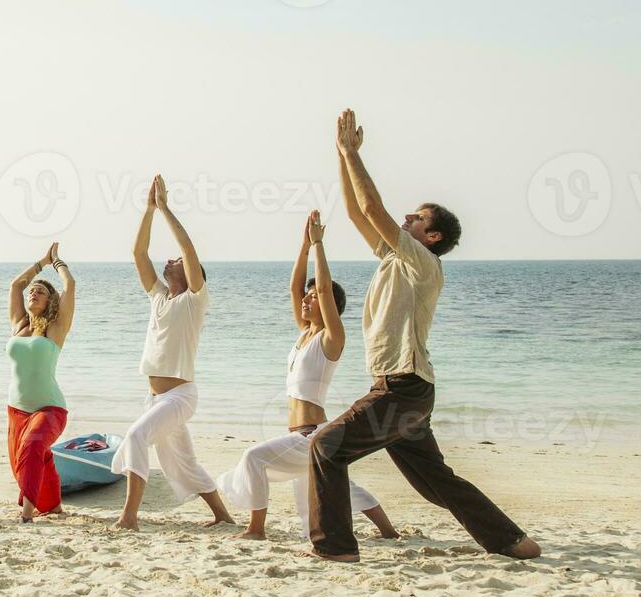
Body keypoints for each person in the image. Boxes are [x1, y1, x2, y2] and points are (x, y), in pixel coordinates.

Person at [304, 110, 540, 562]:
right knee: (437, 483)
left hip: (402, 387)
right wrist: (340, 154)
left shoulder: (423, 265)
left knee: (325, 446)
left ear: (431, 237)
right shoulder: (396, 259)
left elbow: (374, 209)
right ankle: (512, 542)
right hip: (406, 392)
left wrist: (354, 152)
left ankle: (335, 549)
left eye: (417, 218)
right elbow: (357, 211)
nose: (407, 218)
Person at [217, 211, 398, 541]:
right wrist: (302, 245)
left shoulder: (330, 340)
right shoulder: (303, 335)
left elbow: (326, 288)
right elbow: (293, 287)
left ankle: (255, 529)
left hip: (312, 434)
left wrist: (318, 245)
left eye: (313, 297)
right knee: (332, 491)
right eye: (307, 295)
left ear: (329, 307)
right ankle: (389, 532)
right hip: (302, 433)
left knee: (253, 458)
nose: (306, 298)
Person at [112, 175, 235, 531]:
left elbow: (191, 250)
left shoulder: (195, 300)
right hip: (155, 399)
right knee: (184, 463)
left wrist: (166, 208)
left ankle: (129, 517)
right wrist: (148, 209)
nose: (171, 260)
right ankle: (223, 516)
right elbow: (138, 253)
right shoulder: (158, 296)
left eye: (176, 260)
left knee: (136, 437)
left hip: (180, 397)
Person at [6, 243, 76, 523]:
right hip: (16, 410)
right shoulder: (19, 325)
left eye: (41, 291)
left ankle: (26, 515)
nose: (33, 293)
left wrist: (57, 263)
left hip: (50, 408)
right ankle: (53, 506)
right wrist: (40, 262)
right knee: (33, 462)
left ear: (51, 301)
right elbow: (15, 286)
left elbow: (70, 286)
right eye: (32, 290)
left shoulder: (56, 329)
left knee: (33, 447)